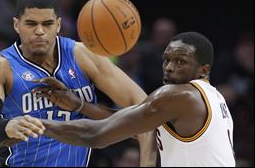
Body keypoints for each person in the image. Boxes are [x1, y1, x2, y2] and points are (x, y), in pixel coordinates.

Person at [0, 0, 153, 167]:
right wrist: (6, 126)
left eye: (47, 24)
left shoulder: (83, 56)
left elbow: (147, 113)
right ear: (17, 25)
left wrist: (80, 106)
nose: (40, 31)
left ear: (58, 25)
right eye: (31, 24)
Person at [27, 32, 236, 166]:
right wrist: (79, 105)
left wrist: (33, 125)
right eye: (166, 60)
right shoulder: (213, 97)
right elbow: (130, 123)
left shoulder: (180, 95)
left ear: (203, 70)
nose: (169, 67)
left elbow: (96, 135)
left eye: (180, 62)